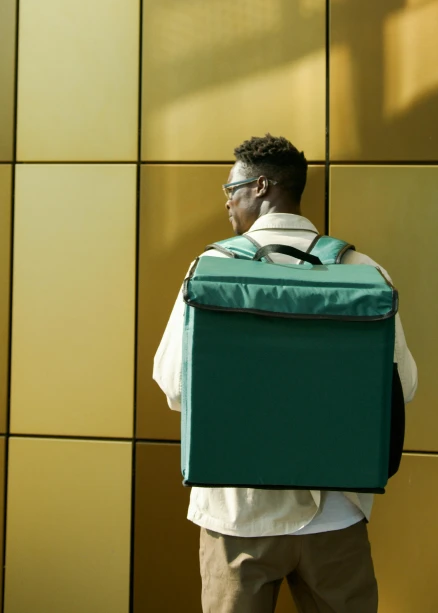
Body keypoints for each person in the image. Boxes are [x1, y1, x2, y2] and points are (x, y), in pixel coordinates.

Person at [153, 134, 418, 613]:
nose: (227, 201)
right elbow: (404, 385)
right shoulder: (361, 269)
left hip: (239, 515)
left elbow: (175, 384)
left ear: (260, 186)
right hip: (335, 514)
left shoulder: (211, 268)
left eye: (230, 188)